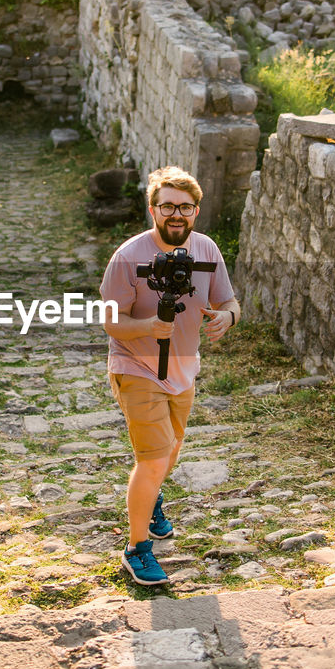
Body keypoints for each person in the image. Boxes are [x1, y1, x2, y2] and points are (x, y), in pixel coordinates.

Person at [99, 166, 241, 585]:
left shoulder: (207, 250)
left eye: (185, 207)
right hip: (136, 366)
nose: (176, 214)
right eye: (167, 206)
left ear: (196, 211)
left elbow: (229, 300)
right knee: (154, 457)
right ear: (153, 209)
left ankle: (151, 497)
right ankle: (136, 549)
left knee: (171, 451)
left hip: (182, 368)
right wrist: (147, 327)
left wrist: (228, 318)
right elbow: (110, 320)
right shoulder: (128, 257)